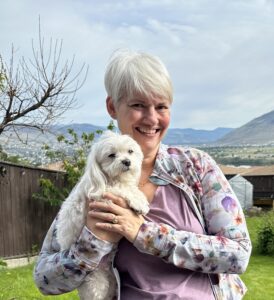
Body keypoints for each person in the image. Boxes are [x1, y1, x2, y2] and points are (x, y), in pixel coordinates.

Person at [34, 49, 251, 299]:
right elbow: (44, 280)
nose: (151, 118)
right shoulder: (94, 184)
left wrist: (143, 233)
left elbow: (239, 254)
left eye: (161, 106)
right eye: (138, 105)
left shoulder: (195, 167)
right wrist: (91, 243)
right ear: (112, 106)